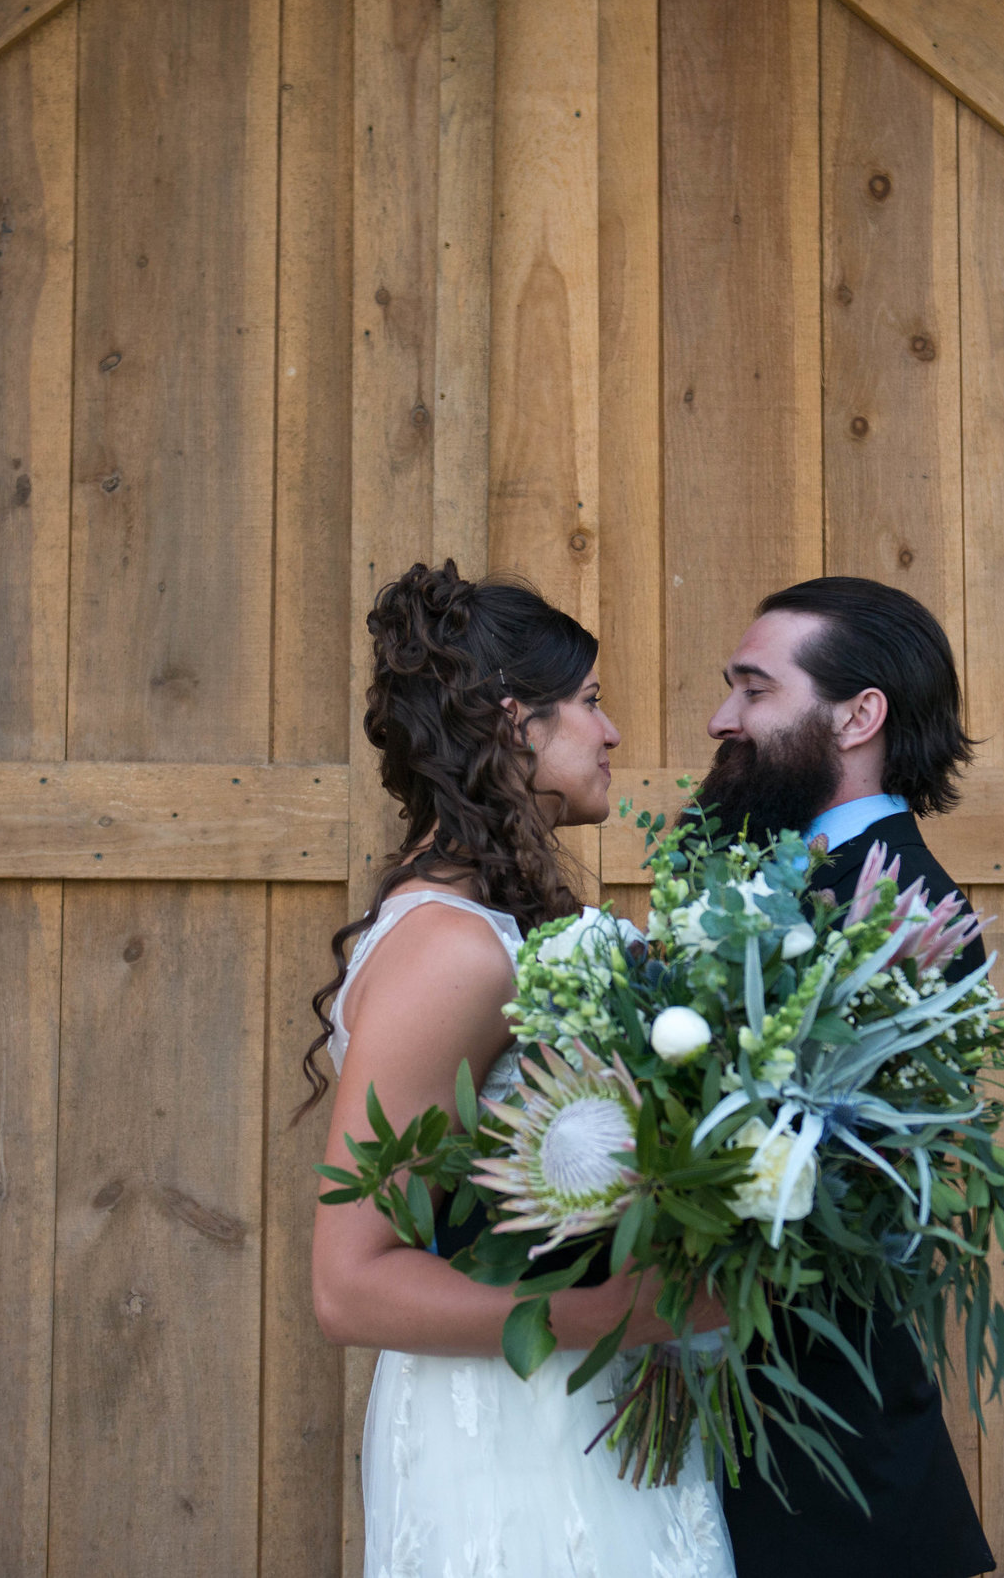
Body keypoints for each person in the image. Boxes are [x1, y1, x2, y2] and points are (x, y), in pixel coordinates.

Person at [308, 560, 734, 1578]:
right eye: (587, 702)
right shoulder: (453, 950)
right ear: (512, 724)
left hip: (592, 1415)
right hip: (518, 1434)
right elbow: (349, 1283)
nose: (611, 731)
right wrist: (612, 1313)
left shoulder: (512, 931)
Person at [698, 575, 996, 1577]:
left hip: (824, 1479)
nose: (720, 718)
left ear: (857, 712)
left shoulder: (907, 919)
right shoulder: (767, 877)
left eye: (752, 690)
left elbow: (832, 1212)